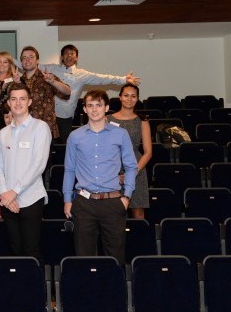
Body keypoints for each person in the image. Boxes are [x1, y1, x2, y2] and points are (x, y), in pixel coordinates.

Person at [63, 89, 138, 264]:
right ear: (84, 109)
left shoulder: (121, 134)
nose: (94, 109)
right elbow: (69, 169)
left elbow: (131, 166)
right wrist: (67, 199)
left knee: (115, 257)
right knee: (84, 257)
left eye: (98, 105)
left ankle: (113, 292)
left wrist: (126, 196)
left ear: (107, 108)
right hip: (84, 202)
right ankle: (87, 292)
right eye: (90, 105)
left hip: (113, 203)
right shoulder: (75, 136)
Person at [0, 84, 51, 261]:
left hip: (31, 199)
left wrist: (14, 191)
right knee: (15, 250)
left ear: (30, 101)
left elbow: (38, 165)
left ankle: (38, 288)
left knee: (31, 250)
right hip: (8, 202)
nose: (18, 103)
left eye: (22, 98)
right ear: (9, 103)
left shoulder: (40, 128)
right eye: (13, 99)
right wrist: (5, 193)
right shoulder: (3, 133)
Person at [43, 44, 141, 141]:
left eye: (72, 54)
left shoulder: (82, 74)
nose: (69, 56)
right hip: (47, 115)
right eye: (66, 54)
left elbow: (102, 78)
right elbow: (33, 66)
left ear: (76, 58)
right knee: (46, 145)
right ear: (62, 57)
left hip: (65, 117)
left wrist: (124, 79)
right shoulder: (52, 68)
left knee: (64, 147)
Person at [107, 84, 152, 220]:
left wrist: (132, 173)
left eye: (133, 96)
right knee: (113, 215)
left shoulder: (142, 121)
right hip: (112, 170)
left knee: (138, 214)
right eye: (126, 95)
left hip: (137, 168)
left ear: (137, 99)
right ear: (120, 97)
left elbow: (148, 152)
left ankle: (139, 241)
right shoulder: (107, 120)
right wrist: (116, 174)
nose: (129, 99)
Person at [19, 46, 70, 140]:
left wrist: (53, 82)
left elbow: (67, 93)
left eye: (31, 57)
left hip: (45, 129)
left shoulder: (47, 78)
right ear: (21, 62)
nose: (27, 60)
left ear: (37, 61)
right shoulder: (19, 81)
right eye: (24, 58)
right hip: (23, 130)